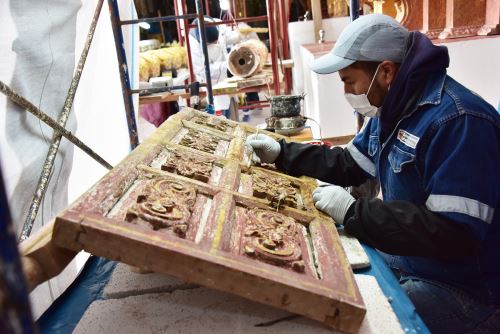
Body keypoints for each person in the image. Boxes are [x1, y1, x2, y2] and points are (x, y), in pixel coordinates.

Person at [246, 14, 500, 332]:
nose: (348, 92)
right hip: (417, 260)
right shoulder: (391, 109)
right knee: (338, 275)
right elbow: (349, 165)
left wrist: (355, 213)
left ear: (386, 72)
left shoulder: (458, 122)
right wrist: (284, 153)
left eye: (350, 81)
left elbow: (453, 234)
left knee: (363, 320)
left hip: (466, 288)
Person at [188, 16, 231, 114]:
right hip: (210, 80)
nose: (216, 44)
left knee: (227, 106)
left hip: (225, 75)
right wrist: (227, 65)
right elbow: (202, 70)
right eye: (212, 43)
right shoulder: (193, 42)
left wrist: (238, 35)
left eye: (217, 41)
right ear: (203, 42)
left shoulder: (217, 24)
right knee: (218, 109)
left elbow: (228, 37)